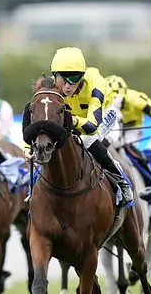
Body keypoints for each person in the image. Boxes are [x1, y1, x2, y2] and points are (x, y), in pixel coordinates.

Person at [24, 47, 134, 208]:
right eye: (62, 78)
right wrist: (27, 148)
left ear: (82, 75)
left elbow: (91, 126)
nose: (67, 86)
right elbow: (37, 118)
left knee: (88, 139)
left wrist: (68, 120)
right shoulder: (51, 87)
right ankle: (34, 183)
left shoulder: (95, 84)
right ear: (55, 75)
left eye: (74, 78)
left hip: (102, 115)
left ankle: (121, 180)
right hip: (73, 116)